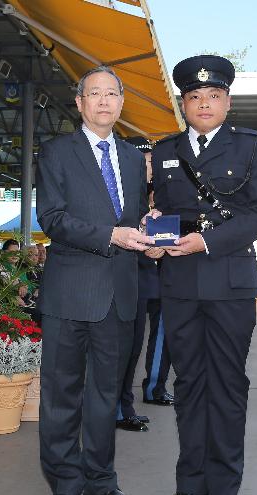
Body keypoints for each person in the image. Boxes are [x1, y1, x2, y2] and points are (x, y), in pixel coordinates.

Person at [147, 55, 257, 495]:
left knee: (226, 386)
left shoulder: (252, 147)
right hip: (179, 285)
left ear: (227, 101)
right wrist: (152, 233)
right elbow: (166, 212)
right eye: (195, 97)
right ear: (183, 103)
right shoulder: (164, 151)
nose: (204, 104)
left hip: (229, 285)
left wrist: (206, 240)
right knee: (188, 387)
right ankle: (189, 489)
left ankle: (224, 491)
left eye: (214, 96)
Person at [35, 65, 153, 495]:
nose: (104, 101)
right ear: (80, 103)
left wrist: (146, 236)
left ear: (122, 103)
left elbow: (134, 218)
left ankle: (102, 481)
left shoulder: (129, 158)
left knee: (106, 396)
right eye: (94, 94)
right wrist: (113, 236)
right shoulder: (56, 152)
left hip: (120, 293)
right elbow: (53, 218)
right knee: (62, 395)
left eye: (112, 94)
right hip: (70, 293)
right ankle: (64, 484)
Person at [115, 136, 175, 433]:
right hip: (125, 275)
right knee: (124, 346)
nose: (150, 166)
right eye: (145, 161)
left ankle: (133, 400)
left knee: (140, 343)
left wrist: (161, 244)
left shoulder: (160, 194)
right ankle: (117, 407)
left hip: (152, 274)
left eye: (152, 160)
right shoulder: (120, 193)